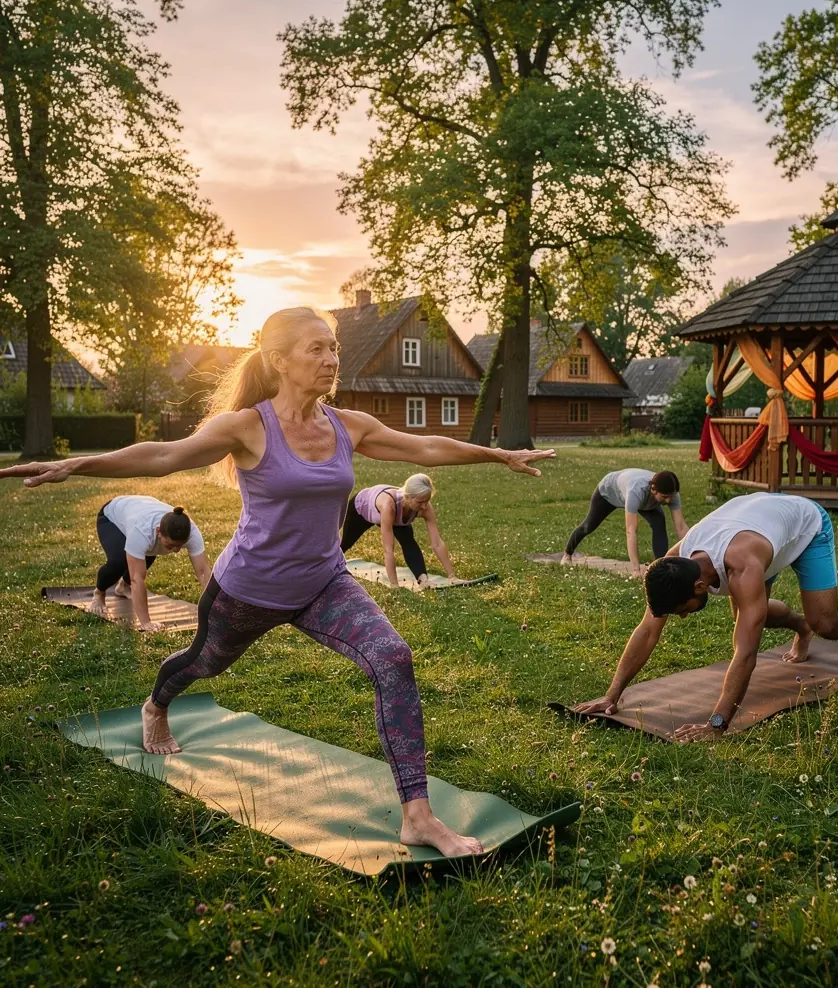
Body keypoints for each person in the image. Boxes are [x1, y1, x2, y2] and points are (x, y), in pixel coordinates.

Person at [1, 305, 554, 857]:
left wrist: (498, 453)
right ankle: (155, 706)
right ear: (277, 360)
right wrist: (77, 465)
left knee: (393, 656)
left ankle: (417, 816)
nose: (331, 359)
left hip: (324, 585)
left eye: (333, 348)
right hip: (247, 589)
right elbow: (167, 454)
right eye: (316, 349)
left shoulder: (346, 425)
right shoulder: (248, 426)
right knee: (203, 662)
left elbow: (426, 447)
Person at [574, 492, 838, 742]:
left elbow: (746, 652)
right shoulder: (673, 563)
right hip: (755, 521)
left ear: (700, 586)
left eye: (681, 610)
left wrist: (717, 724)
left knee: (825, 624)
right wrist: (611, 694)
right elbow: (647, 630)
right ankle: (800, 627)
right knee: (751, 615)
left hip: (805, 525)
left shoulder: (743, 568)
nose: (681, 618)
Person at [90, 496, 212, 631]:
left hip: (139, 511)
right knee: (118, 562)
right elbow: (137, 579)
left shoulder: (191, 532)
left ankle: (123, 587)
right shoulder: (142, 531)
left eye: (180, 545)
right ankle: (99, 593)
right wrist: (146, 622)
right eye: (171, 545)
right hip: (111, 517)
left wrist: (218, 607)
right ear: (159, 531)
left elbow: (203, 572)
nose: (176, 551)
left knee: (149, 551)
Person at [341, 474, 461, 589]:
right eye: (420, 502)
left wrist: (452, 576)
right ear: (407, 497)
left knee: (408, 541)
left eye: (427, 501)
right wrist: (394, 585)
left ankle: (423, 579)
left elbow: (437, 543)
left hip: (396, 513)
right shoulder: (389, 506)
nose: (425, 506)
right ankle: (328, 568)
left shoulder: (424, 507)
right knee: (345, 543)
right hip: (361, 508)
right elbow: (388, 550)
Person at [562, 468, 687, 577]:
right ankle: (567, 554)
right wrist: (636, 570)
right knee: (588, 526)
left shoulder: (671, 493)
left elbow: (681, 526)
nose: (669, 500)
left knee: (659, 524)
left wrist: (692, 553)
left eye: (671, 496)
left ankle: (660, 567)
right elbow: (630, 530)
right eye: (665, 497)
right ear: (653, 489)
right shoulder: (636, 490)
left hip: (645, 501)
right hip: (609, 492)